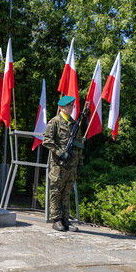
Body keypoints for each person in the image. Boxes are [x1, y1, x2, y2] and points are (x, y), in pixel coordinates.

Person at [42, 95, 84, 232]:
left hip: (71, 164)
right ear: (61, 107)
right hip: (58, 165)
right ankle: (56, 219)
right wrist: (60, 153)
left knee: (67, 192)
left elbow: (78, 145)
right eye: (68, 106)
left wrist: (79, 163)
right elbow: (46, 140)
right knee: (56, 191)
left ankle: (66, 219)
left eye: (72, 106)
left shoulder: (74, 124)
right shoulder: (54, 122)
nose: (70, 108)